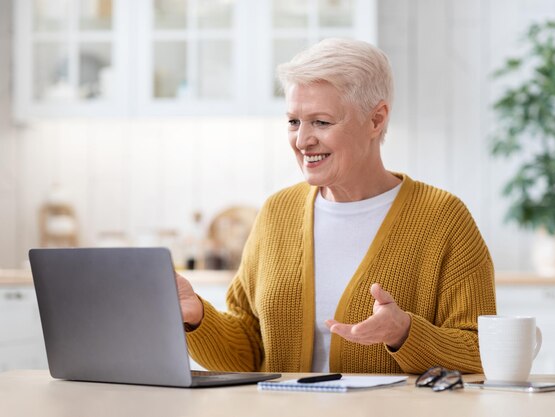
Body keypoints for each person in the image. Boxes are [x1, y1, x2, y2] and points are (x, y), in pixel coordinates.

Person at [176, 38, 496, 374]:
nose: (302, 141)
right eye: (293, 121)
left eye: (321, 122)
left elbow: (480, 353)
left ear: (376, 120)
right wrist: (197, 316)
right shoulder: (277, 213)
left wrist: (404, 333)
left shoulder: (443, 219)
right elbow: (250, 352)